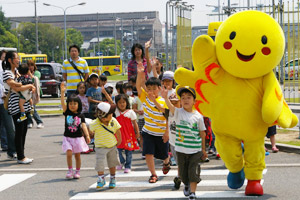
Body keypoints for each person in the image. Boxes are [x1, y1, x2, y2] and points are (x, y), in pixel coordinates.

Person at [161, 86, 207, 199]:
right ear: (180, 101)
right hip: (181, 150)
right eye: (183, 98)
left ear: (194, 101)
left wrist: (203, 150)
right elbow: (170, 108)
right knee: (183, 173)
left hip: (195, 150)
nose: (186, 100)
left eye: (189, 97)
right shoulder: (178, 112)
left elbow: (202, 133)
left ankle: (193, 193)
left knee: (193, 171)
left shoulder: (198, 116)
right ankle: (186, 184)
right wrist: (165, 98)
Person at [136, 62, 170, 183]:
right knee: (148, 153)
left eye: (154, 89)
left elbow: (166, 116)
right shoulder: (144, 98)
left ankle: (167, 162)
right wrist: (140, 74)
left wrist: (167, 133)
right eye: (149, 89)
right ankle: (153, 174)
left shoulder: (163, 101)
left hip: (161, 133)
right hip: (148, 132)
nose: (151, 91)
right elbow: (138, 86)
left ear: (159, 89)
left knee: (164, 155)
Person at [3, 51, 36, 164]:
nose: (18, 60)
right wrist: (29, 85)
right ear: (10, 60)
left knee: (24, 129)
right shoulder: (7, 73)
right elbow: (16, 88)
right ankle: (20, 156)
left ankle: (21, 154)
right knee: (19, 130)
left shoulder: (17, 72)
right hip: (16, 105)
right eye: (16, 58)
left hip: (25, 104)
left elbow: (22, 84)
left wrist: (27, 86)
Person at [60, 82, 90, 179]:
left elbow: (84, 126)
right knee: (69, 153)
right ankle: (69, 170)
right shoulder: (67, 113)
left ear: (79, 104)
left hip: (78, 138)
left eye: (75, 104)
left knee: (77, 155)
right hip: (68, 137)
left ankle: (77, 171)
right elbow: (62, 104)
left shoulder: (80, 115)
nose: (72, 105)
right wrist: (62, 93)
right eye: (70, 104)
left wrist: (87, 135)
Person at [89, 102, 122, 189]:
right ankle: (101, 179)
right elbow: (90, 132)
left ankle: (112, 178)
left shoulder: (113, 120)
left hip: (112, 146)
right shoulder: (94, 123)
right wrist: (89, 135)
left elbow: (118, 131)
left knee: (112, 163)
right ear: (103, 117)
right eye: (110, 113)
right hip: (100, 147)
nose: (112, 114)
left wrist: (119, 141)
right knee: (100, 163)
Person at [115, 94, 140, 173]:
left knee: (128, 152)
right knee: (117, 150)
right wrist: (105, 93)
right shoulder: (116, 111)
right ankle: (121, 162)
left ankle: (128, 166)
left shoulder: (130, 112)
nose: (122, 104)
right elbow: (110, 101)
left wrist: (137, 132)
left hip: (129, 135)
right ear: (117, 104)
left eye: (123, 102)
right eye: (119, 102)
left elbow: (135, 123)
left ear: (127, 103)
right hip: (118, 135)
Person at [0, 50, 17, 160]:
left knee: (10, 127)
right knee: (9, 127)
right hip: (3, 98)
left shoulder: (12, 69)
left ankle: (11, 151)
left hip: (5, 101)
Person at [27, 60, 44, 129]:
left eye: (31, 65)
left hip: (34, 93)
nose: (30, 67)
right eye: (29, 66)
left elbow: (34, 79)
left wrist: (29, 74)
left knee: (32, 108)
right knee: (27, 108)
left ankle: (39, 122)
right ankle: (30, 122)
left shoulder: (37, 73)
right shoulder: (25, 73)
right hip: (27, 92)